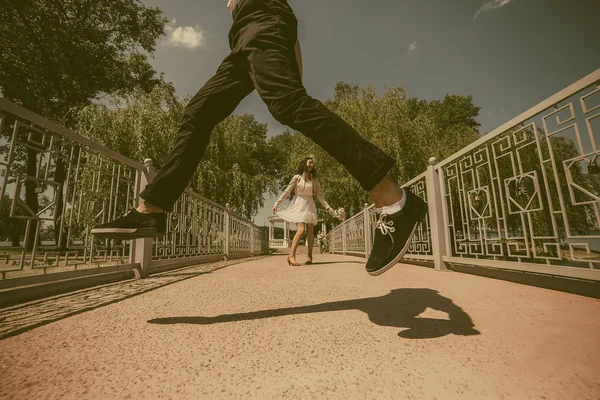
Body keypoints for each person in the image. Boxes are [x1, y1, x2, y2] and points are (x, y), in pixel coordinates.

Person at [91, 0, 427, 276]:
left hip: (262, 23)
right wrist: (294, 80)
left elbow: (282, 24)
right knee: (198, 112)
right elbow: (290, 33)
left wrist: (293, 90)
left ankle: (393, 199)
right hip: (246, 40)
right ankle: (153, 207)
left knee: (287, 104)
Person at [272, 157, 339, 266]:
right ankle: (291, 256)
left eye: (313, 163)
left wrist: (328, 207)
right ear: (305, 164)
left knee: (310, 231)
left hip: (310, 204)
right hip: (299, 204)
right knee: (301, 229)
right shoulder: (297, 178)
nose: (311, 165)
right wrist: (277, 204)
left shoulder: (314, 179)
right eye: (310, 162)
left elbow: (319, 195)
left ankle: (309, 256)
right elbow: (287, 191)